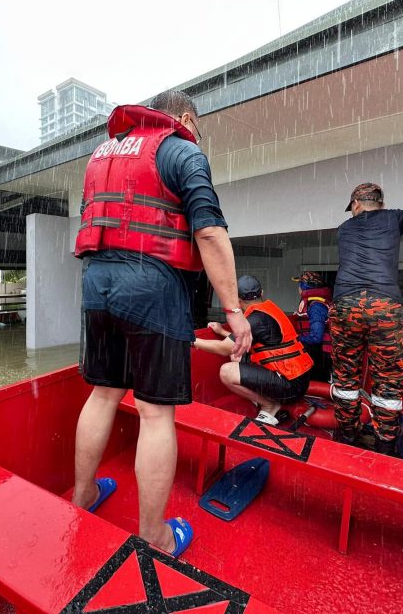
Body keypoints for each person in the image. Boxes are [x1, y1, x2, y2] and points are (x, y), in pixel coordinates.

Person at [71, 90, 251, 558]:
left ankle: (82, 495)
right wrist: (234, 311)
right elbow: (209, 233)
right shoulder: (181, 148)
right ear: (186, 117)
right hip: (151, 284)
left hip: (97, 284)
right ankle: (154, 535)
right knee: (154, 414)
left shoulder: (102, 154)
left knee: (103, 392)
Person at [330, 183, 403, 456]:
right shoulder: (395, 216)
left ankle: (346, 437)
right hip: (384, 306)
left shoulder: (344, 228)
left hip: (346, 305)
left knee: (346, 377)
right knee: (387, 380)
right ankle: (386, 447)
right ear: (380, 201)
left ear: (355, 204)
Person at [194, 275, 313, 425]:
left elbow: (223, 349)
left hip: (290, 386)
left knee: (227, 371)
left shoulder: (255, 319)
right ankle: (270, 399)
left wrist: (191, 340)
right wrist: (221, 331)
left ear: (238, 300)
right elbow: (246, 340)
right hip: (298, 379)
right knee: (237, 356)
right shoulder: (268, 310)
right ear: (261, 293)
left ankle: (269, 405)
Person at [291, 270, 333, 381]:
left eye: (299, 285)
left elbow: (316, 337)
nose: (298, 288)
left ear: (304, 286)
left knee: (315, 383)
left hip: (319, 355)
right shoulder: (312, 303)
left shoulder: (316, 306)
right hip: (313, 352)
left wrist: (296, 340)